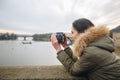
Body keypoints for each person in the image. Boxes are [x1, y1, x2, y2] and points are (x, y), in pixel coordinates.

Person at [51, 18, 120, 80]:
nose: (71, 36)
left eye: (72, 32)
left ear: (82, 33)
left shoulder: (92, 51)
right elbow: (80, 63)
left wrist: (58, 49)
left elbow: (73, 70)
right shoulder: (96, 44)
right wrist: (65, 46)